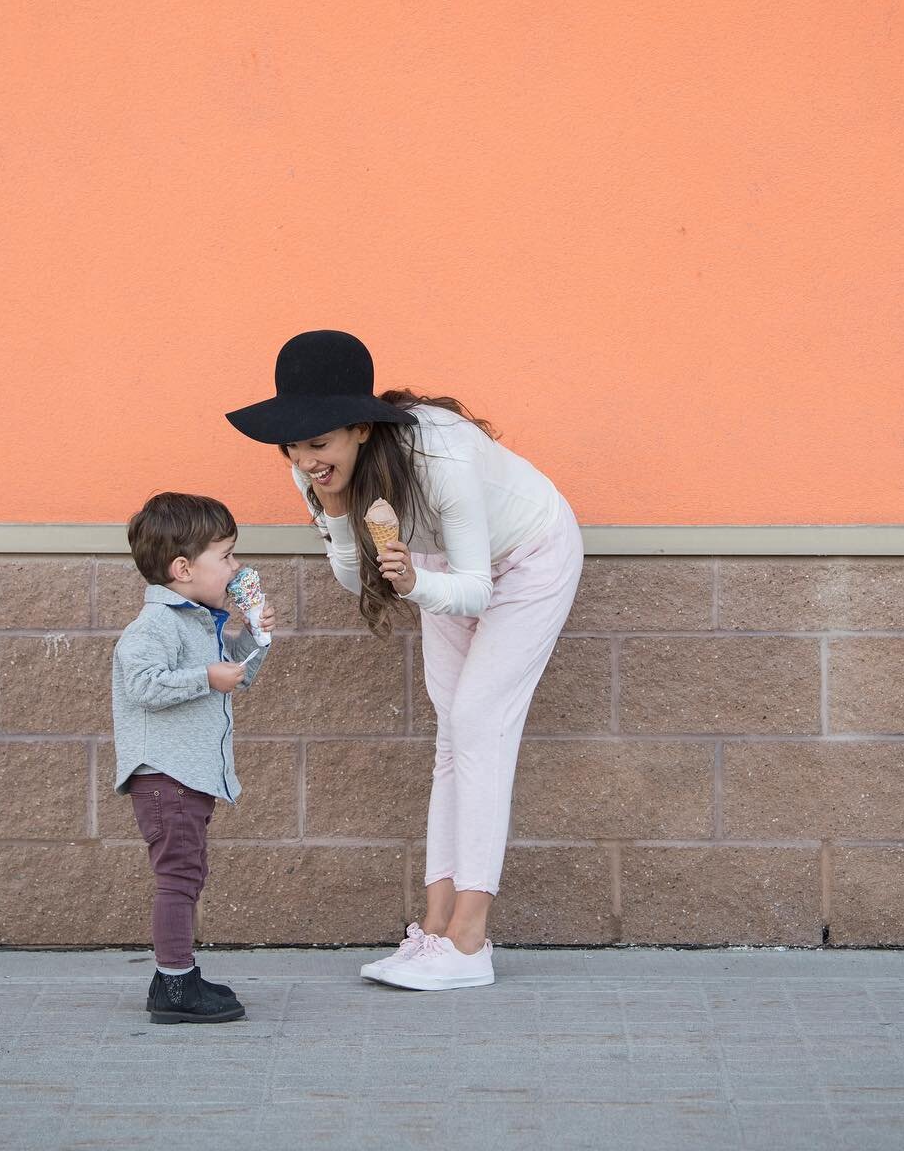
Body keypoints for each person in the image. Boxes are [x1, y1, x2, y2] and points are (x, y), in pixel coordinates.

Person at [227, 331, 582, 991]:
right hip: (443, 563)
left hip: (529, 559)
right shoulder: (320, 471)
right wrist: (334, 512)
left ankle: (471, 940)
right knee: (453, 734)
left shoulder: (439, 456)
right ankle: (436, 932)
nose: (305, 459)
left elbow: (475, 588)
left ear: (361, 427)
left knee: (479, 719)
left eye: (318, 442)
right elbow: (349, 575)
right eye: (293, 445)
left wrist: (415, 586)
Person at [111, 491, 277, 1023]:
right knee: (178, 878)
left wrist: (255, 633)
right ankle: (175, 986)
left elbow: (239, 678)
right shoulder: (156, 626)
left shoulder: (203, 621)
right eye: (225, 556)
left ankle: (178, 972)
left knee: (187, 874)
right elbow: (141, 686)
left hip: (189, 777)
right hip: (165, 777)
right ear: (183, 568)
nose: (235, 567)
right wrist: (206, 676)